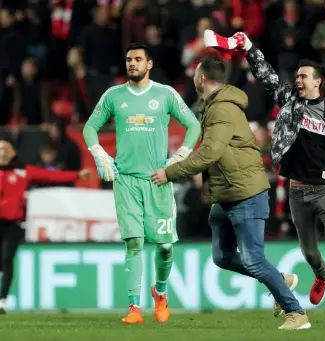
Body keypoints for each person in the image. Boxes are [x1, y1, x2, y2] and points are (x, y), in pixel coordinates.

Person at [202, 30, 325, 316]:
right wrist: (249, 47)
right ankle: (322, 273)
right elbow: (267, 76)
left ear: (318, 81)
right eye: (298, 77)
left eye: (304, 76)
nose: (298, 80)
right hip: (297, 190)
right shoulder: (290, 103)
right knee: (309, 252)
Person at [151, 55, 311, 330]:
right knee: (222, 257)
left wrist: (170, 173)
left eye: (195, 74)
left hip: (245, 193)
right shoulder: (214, 106)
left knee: (253, 259)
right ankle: (280, 279)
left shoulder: (222, 109)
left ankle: (296, 313)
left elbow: (211, 152)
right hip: (228, 194)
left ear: (201, 78)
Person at [83, 43, 201, 324]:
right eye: (128, 60)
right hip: (126, 181)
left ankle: (160, 293)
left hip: (158, 180)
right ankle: (134, 309)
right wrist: (100, 154)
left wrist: (180, 157)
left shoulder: (165, 94)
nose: (132, 63)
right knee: (134, 244)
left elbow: (194, 125)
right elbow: (89, 127)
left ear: (150, 64)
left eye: (138, 59)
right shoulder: (114, 95)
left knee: (164, 247)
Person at [0, 138, 91, 314]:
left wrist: (77, 175)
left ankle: (2, 300)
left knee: (6, 259)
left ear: (12, 152)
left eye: (5, 149)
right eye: (0, 149)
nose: (2, 152)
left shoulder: (23, 171)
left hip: (14, 224)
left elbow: (50, 175)